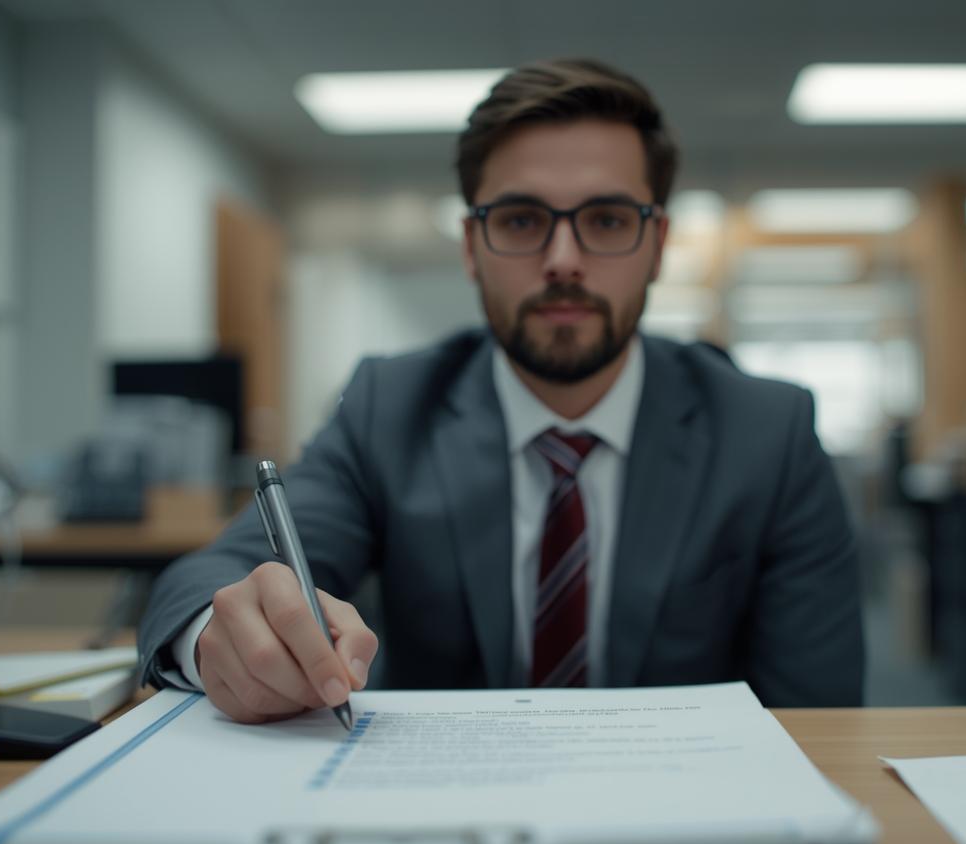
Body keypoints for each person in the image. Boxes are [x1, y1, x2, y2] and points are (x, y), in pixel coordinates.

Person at [137, 58, 864, 722]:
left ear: (659, 243)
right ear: (470, 246)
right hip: (451, 829)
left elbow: (821, 718)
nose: (563, 260)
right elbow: (213, 575)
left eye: (607, 220)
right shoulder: (389, 407)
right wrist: (222, 633)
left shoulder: (768, 433)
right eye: (521, 220)